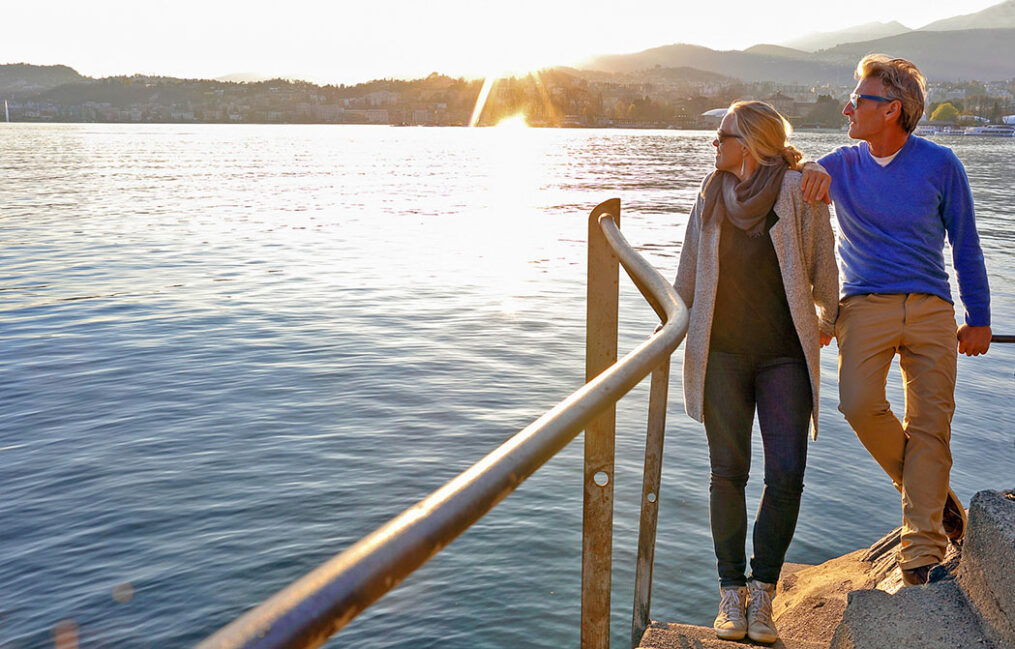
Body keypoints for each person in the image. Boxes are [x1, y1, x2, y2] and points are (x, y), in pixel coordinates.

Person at [801, 54, 992, 586]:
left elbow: (967, 245)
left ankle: (920, 555)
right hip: (862, 306)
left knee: (932, 426)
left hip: (932, 307)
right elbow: (793, 177)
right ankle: (932, 496)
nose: (848, 108)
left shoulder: (941, 164)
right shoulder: (839, 163)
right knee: (858, 402)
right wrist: (807, 169)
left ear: (892, 110)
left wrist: (979, 317)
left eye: (859, 99)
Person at [674, 100, 838, 644]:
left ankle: (763, 591)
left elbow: (822, 261)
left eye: (722, 136)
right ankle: (730, 593)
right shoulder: (710, 191)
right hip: (720, 352)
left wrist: (828, 317)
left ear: (750, 142)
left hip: (784, 355)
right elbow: (689, 270)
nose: (714, 145)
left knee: (786, 473)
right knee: (728, 473)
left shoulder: (797, 189)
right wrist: (672, 324)